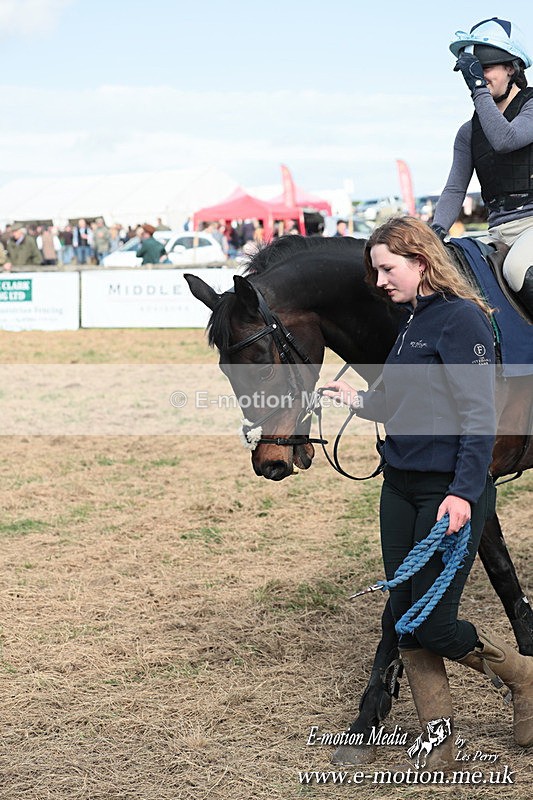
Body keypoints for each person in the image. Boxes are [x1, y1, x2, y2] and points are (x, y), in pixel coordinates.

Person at [322, 216, 533, 767]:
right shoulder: (413, 322)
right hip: (400, 487)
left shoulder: (461, 319)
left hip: (448, 491)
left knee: (434, 621)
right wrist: (356, 399)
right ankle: (438, 742)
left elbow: (479, 414)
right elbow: (397, 402)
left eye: (388, 268)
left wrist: (464, 493)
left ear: (420, 261)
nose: (380, 281)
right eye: (375, 271)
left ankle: (525, 676)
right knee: (405, 611)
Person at [432, 17, 533, 315]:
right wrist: (434, 232)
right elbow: (454, 189)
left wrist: (477, 89)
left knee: (517, 270)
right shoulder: (467, 132)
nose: (480, 77)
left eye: (486, 69)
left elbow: (505, 139)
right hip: (497, 231)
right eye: (474, 73)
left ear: (511, 68)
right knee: (457, 267)